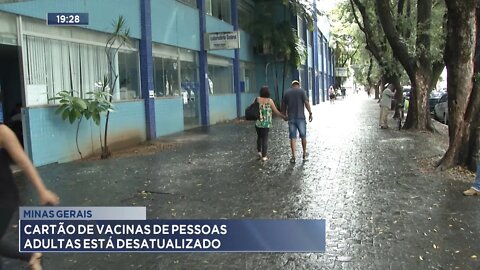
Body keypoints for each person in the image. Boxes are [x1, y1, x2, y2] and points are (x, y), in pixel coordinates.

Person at [0, 124, 60, 270]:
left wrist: (42, 191)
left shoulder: (3, 132)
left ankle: (30, 255)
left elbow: (24, 162)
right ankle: (30, 255)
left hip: (4, 198)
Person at [282, 81, 313, 163]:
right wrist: (310, 113)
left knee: (292, 137)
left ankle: (293, 156)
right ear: (298, 85)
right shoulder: (302, 91)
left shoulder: (287, 93)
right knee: (303, 136)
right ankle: (304, 153)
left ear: (292, 85)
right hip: (301, 118)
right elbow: (306, 103)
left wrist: (284, 115)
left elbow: (284, 105)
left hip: (291, 118)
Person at [254, 86, 287, 161]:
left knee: (259, 137)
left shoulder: (257, 99)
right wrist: (283, 117)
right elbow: (276, 111)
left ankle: (259, 152)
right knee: (265, 139)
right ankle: (264, 156)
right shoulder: (270, 101)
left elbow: (253, 108)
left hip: (258, 123)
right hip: (266, 124)